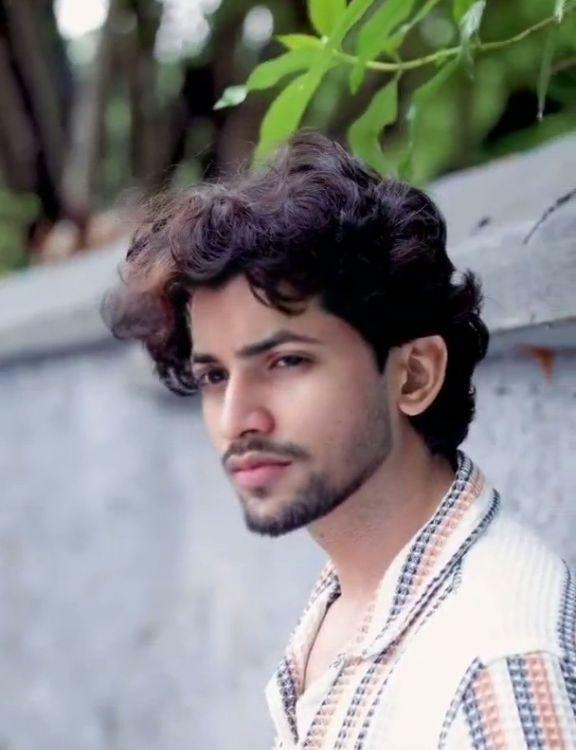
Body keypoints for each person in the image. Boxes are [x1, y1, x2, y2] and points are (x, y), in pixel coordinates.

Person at [103, 132, 576, 748]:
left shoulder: (493, 674)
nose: (237, 418)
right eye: (215, 376)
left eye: (286, 362)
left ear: (414, 375)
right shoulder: (360, 596)